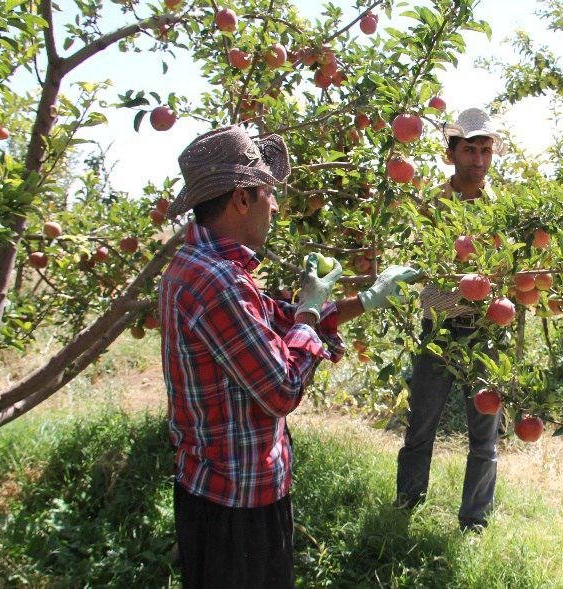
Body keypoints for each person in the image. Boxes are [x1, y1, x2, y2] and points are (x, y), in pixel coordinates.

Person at [159, 125, 418, 588]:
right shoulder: (218, 282)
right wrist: (311, 313)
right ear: (242, 199)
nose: (275, 206)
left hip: (221, 488)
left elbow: (279, 320)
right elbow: (281, 388)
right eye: (269, 194)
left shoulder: (201, 267)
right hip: (235, 505)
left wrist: (366, 299)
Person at [395, 107, 507, 532]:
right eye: (469, 150)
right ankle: (404, 510)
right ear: (452, 154)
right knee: (420, 426)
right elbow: (422, 263)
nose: (478, 159)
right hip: (438, 331)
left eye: (484, 150)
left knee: (484, 435)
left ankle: (474, 522)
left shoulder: (504, 211)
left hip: (484, 332)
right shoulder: (432, 208)